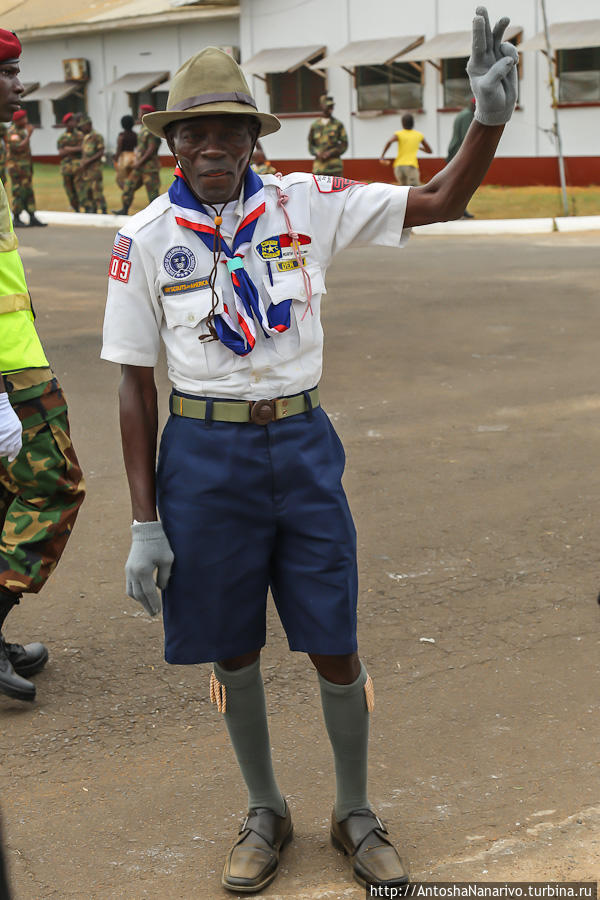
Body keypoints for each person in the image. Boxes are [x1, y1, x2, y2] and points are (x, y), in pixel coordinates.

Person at [101, 11, 518, 891]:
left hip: (300, 444)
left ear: (256, 137)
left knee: (335, 637)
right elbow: (135, 387)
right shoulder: (142, 242)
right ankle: (266, 808)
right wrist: (145, 520)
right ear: (172, 143)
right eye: (195, 132)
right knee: (231, 648)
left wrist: (487, 118)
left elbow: (439, 200)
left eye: (231, 129)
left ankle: (354, 812)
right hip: (203, 459)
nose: (215, 145)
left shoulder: (307, 201)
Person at [0, 29, 86, 703]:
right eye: (7, 72)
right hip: (8, 368)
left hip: (15, 353)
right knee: (54, 484)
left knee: (4, 494)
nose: (18, 85)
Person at [112, 104, 161, 215]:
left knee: (152, 193)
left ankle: (157, 215)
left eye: (141, 112)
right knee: (128, 185)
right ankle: (124, 209)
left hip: (149, 167)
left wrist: (140, 161)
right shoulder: (143, 128)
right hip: (139, 165)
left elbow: (151, 148)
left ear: (146, 114)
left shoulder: (152, 128)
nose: (139, 115)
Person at [6, 109, 45, 227]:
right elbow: (18, 148)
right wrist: (29, 135)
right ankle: (16, 218)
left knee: (28, 191)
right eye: (23, 118)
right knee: (18, 191)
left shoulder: (21, 132)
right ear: (17, 121)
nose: (26, 120)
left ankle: (32, 216)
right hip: (17, 168)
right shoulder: (13, 132)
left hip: (25, 167)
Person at [379, 112, 432, 186]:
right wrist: (420, 148)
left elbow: (389, 142)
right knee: (414, 189)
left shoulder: (399, 134)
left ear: (402, 123)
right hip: (410, 166)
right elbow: (429, 151)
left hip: (398, 167)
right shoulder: (419, 135)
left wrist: (382, 156)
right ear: (413, 123)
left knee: (404, 191)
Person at [447, 97, 477, 218]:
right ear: (473, 105)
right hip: (459, 154)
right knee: (461, 185)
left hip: (456, 153)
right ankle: (458, 211)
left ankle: (459, 210)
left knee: (459, 185)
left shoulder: (464, 113)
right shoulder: (467, 116)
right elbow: (467, 138)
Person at [308, 93, 348, 176]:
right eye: (328, 106)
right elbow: (311, 145)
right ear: (321, 106)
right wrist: (317, 152)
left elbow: (344, 144)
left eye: (332, 106)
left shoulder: (338, 124)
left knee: (337, 189)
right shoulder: (315, 125)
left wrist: (331, 153)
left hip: (334, 168)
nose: (331, 108)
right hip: (319, 168)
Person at [77, 115, 106, 214]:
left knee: (97, 191)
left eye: (83, 126)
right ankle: (92, 210)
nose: (81, 128)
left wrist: (88, 162)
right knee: (88, 191)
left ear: (89, 125)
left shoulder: (97, 136)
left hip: (95, 169)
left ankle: (103, 210)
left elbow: (101, 152)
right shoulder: (85, 137)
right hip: (86, 170)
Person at [56, 112, 82, 212]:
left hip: (78, 167)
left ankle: (82, 207)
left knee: (79, 188)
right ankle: (75, 207)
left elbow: (82, 148)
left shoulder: (80, 135)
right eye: (71, 121)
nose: (73, 123)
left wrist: (68, 149)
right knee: (69, 189)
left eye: (74, 120)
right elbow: (61, 153)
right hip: (66, 167)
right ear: (66, 123)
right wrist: (74, 149)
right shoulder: (62, 137)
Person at [112, 114, 137, 190]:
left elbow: (119, 148)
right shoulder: (135, 135)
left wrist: (115, 159)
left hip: (124, 158)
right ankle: (129, 190)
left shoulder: (121, 136)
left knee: (120, 179)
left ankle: (126, 192)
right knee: (130, 178)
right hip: (133, 157)